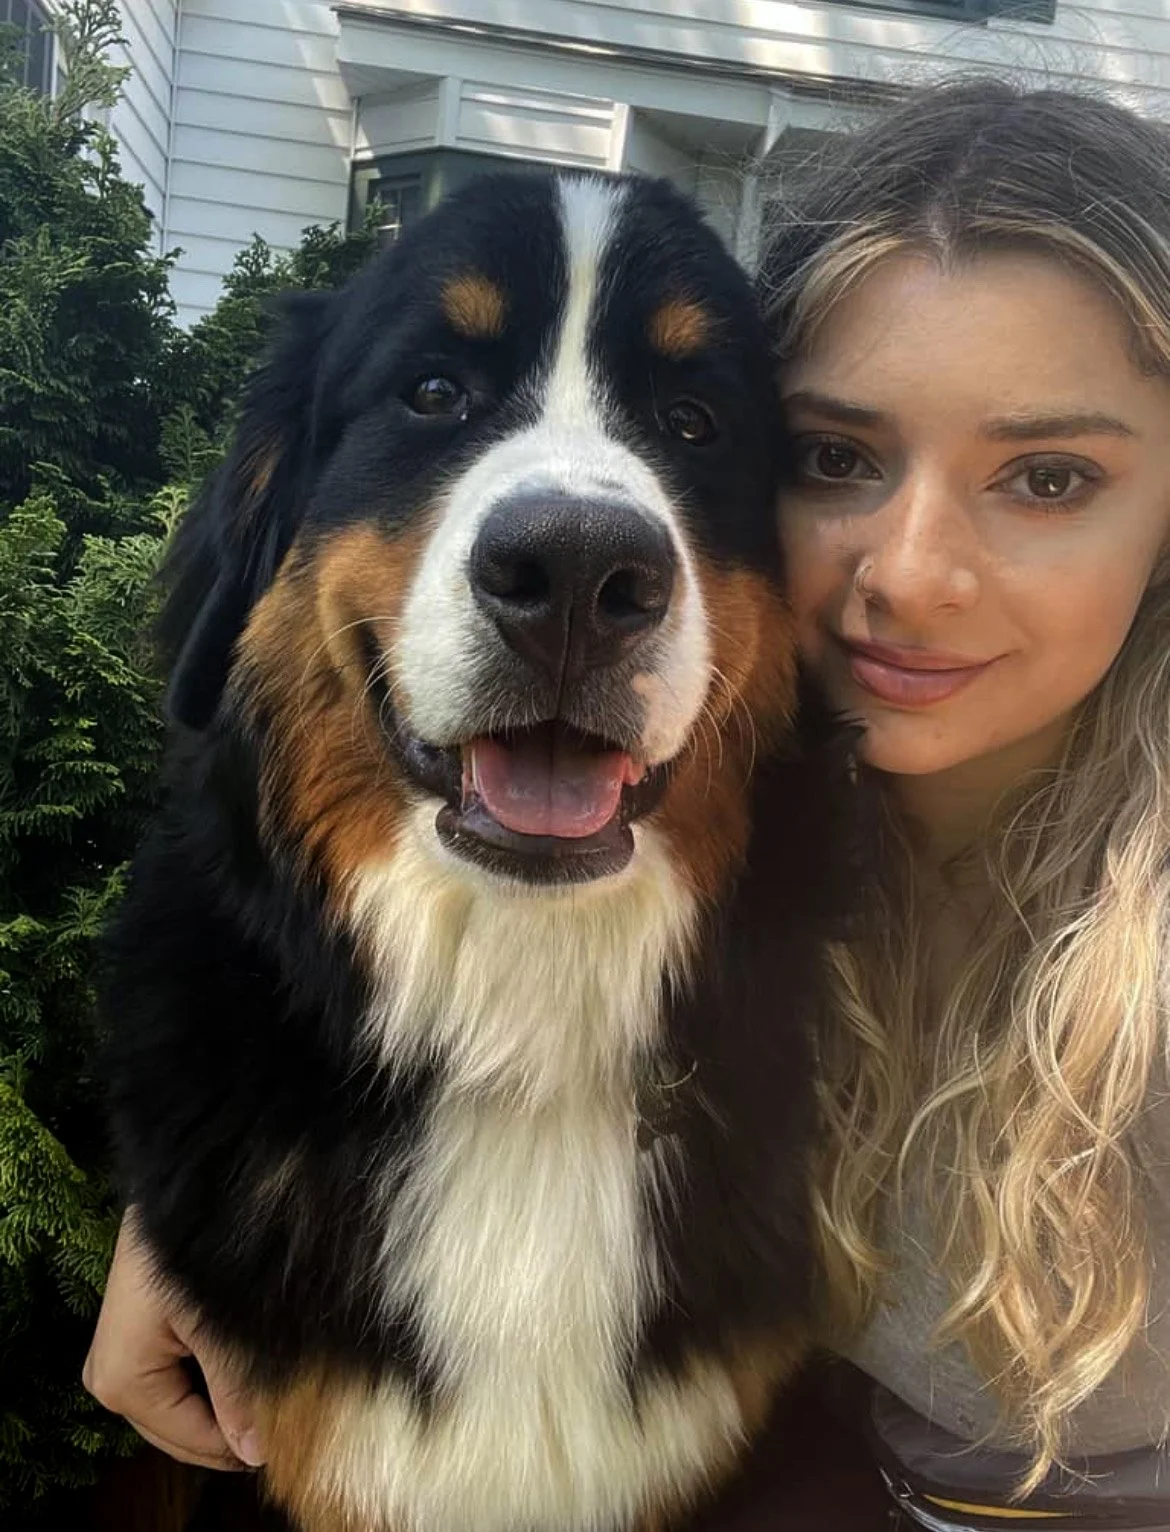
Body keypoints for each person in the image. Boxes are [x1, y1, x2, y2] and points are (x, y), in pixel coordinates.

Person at [84, 79, 1170, 1530]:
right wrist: (191, 1211)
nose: (911, 576)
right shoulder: (849, 860)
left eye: (1047, 476)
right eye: (838, 457)